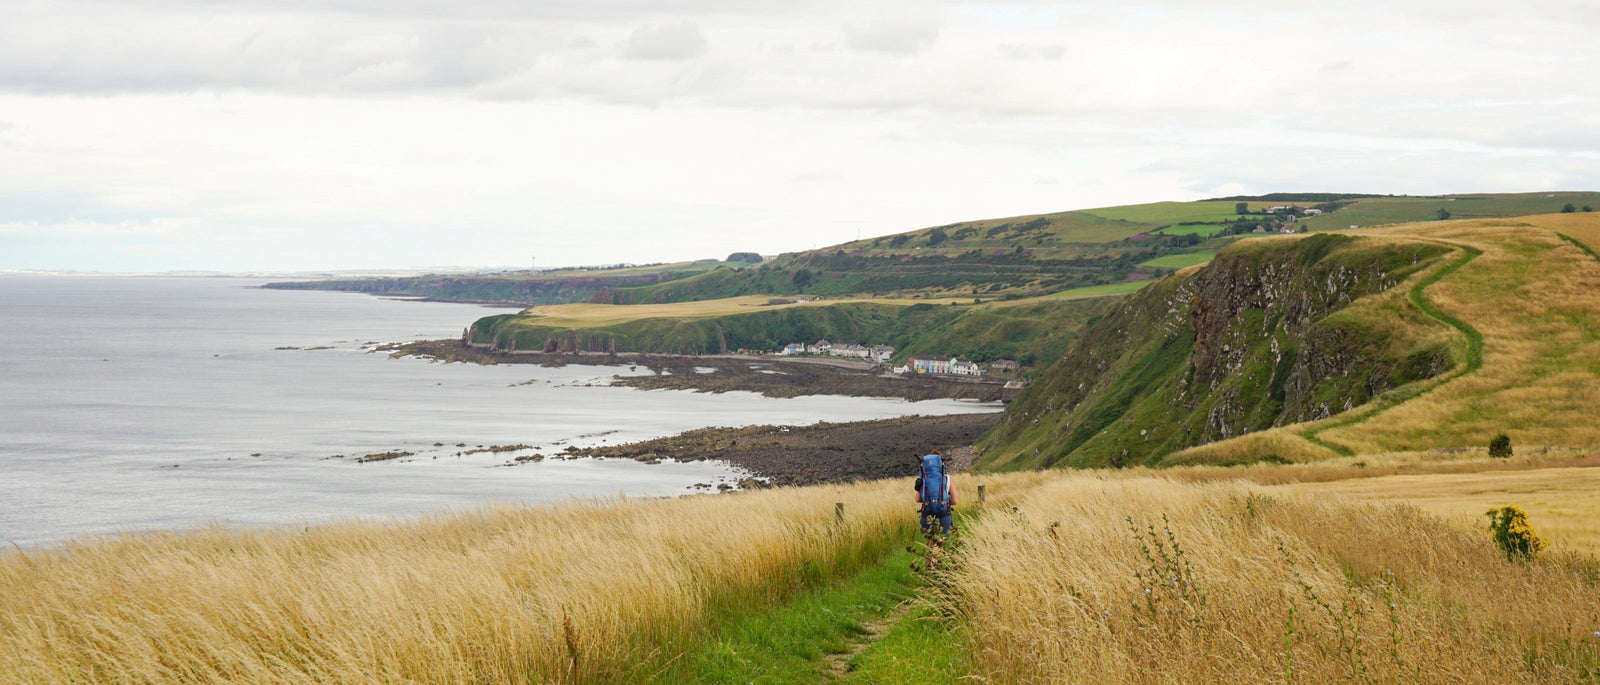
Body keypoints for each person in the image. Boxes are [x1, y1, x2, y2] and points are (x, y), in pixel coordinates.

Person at [914, 449, 956, 538]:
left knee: (930, 543)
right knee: (944, 542)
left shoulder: (923, 479)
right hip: (944, 515)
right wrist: (943, 500)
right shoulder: (948, 479)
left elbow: (917, 499)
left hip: (927, 516)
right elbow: (955, 501)